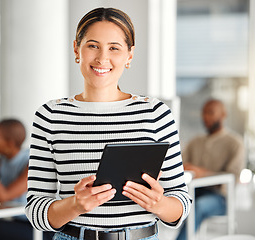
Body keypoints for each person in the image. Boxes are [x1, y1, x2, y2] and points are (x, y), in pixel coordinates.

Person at [26, 7, 191, 240]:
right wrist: (75, 205)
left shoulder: (155, 113)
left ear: (129, 55)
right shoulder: (50, 115)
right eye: (93, 45)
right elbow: (35, 210)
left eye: (114, 48)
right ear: (77, 49)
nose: (102, 58)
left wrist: (159, 203)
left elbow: (181, 204)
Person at [176, 99, 245, 240]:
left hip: (220, 198)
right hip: (193, 192)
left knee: (198, 206)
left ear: (223, 114)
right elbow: (179, 165)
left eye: (210, 113)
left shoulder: (234, 143)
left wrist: (202, 174)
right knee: (179, 202)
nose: (206, 117)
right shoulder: (195, 142)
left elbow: (233, 177)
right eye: (203, 113)